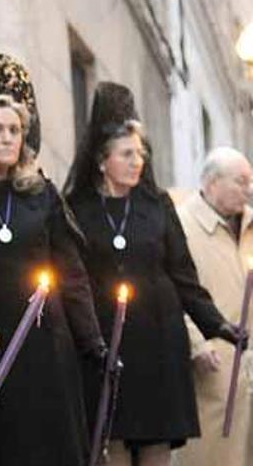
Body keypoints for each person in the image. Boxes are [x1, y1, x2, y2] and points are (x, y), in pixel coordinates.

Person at [63, 82, 248, 466]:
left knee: (156, 449)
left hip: (159, 344)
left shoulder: (156, 205)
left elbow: (183, 276)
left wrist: (219, 326)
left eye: (141, 153)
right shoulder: (78, 208)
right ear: (102, 159)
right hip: (107, 348)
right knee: (110, 446)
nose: (137, 161)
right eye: (127, 154)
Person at [0, 53, 106, 466]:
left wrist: (93, 342)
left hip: (46, 343)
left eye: (15, 129)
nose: (9, 138)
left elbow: (71, 273)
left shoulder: (40, 193)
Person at [175, 147, 253, 466]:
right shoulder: (182, 225)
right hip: (214, 362)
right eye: (241, 181)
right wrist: (196, 342)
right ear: (212, 182)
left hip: (250, 360)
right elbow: (177, 293)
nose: (249, 190)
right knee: (216, 452)